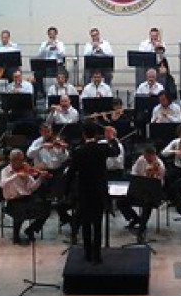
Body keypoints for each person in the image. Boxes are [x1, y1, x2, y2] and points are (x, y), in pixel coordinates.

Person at [68, 123, 120, 263]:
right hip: (99, 191)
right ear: (97, 135)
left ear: (84, 135)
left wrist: (66, 190)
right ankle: (97, 255)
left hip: (84, 190)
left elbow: (71, 172)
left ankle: (87, 253)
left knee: (86, 224)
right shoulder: (102, 148)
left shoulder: (79, 151)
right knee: (97, 224)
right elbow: (116, 152)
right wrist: (111, 138)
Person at [0, 149, 51, 245]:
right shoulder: (5, 171)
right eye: (18, 160)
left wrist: (40, 178)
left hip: (27, 198)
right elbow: (2, 184)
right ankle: (16, 236)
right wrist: (16, 175)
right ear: (12, 160)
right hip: (13, 200)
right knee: (21, 212)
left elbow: (32, 188)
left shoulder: (26, 169)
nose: (21, 162)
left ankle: (31, 230)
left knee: (46, 210)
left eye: (22, 159)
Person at [118, 145, 166, 239]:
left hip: (152, 193)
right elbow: (134, 172)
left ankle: (142, 228)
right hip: (139, 188)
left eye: (148, 157)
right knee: (121, 201)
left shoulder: (159, 165)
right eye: (145, 156)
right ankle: (136, 219)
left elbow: (158, 182)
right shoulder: (141, 159)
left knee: (147, 204)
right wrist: (139, 177)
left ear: (153, 155)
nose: (146, 159)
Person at [35, 26, 66, 99]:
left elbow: (63, 55)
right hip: (46, 65)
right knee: (37, 74)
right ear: (48, 34)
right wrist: (46, 46)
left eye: (53, 34)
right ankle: (41, 92)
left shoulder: (60, 43)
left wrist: (57, 48)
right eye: (50, 34)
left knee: (64, 74)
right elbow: (39, 55)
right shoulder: (44, 44)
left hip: (58, 65)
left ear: (56, 34)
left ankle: (62, 92)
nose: (51, 35)